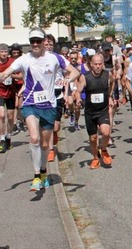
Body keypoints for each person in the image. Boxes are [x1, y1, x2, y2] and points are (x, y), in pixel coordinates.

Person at [0, 28, 79, 191]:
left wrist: (67, 80)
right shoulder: (24, 59)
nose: (35, 44)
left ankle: (43, 172)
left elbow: (75, 72)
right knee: (34, 138)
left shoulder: (55, 58)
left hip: (49, 106)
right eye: (32, 41)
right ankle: (36, 176)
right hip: (30, 104)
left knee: (44, 145)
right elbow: (6, 73)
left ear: (44, 41)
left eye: (38, 41)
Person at [74, 53, 115, 169]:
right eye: (95, 64)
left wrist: (110, 96)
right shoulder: (85, 76)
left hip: (103, 109)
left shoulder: (108, 74)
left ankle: (104, 149)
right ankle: (95, 158)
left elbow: (113, 82)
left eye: (100, 64)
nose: (98, 66)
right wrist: (77, 99)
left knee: (106, 132)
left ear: (103, 64)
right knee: (93, 138)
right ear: (91, 64)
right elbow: (78, 90)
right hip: (90, 112)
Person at [0, 44, 17, 153]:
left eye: (5, 52)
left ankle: (8, 136)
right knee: (1, 115)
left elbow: (21, 76)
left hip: (11, 92)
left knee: (10, 117)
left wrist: (11, 76)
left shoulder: (12, 62)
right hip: (0, 92)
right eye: (1, 52)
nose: (4, 54)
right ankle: (1, 139)